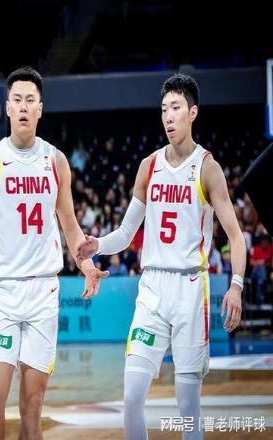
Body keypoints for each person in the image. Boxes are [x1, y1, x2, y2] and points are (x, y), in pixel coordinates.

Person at [0, 66, 108, 439]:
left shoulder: (56, 161)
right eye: (17, 100)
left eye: (30, 100)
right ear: (7, 107)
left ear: (40, 108)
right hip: (5, 292)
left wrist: (88, 265)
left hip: (44, 291)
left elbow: (70, 225)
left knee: (32, 408)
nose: (24, 106)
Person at [77, 73, 246, 439]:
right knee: (131, 396)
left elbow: (236, 237)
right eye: (164, 109)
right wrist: (97, 245)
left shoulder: (208, 168)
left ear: (193, 113)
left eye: (176, 108)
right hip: (152, 288)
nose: (168, 116)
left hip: (190, 287)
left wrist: (236, 286)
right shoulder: (149, 166)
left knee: (188, 407)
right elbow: (125, 233)